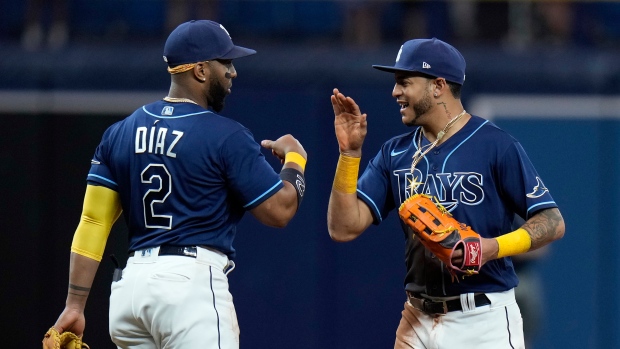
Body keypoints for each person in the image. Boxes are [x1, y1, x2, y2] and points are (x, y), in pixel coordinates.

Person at [45, 19, 307, 348]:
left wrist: (74, 305)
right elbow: (280, 210)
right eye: (225, 63)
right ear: (200, 71)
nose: (232, 73)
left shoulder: (120, 133)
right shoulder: (225, 136)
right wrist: (296, 159)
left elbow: (93, 222)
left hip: (130, 293)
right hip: (188, 288)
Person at [327, 37, 565, 349]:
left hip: (482, 319)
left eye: (404, 82)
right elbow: (342, 228)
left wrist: (491, 247)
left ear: (438, 85)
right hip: (417, 316)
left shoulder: (495, 145)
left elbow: (552, 221)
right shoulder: (394, 153)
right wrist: (349, 155)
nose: (395, 92)